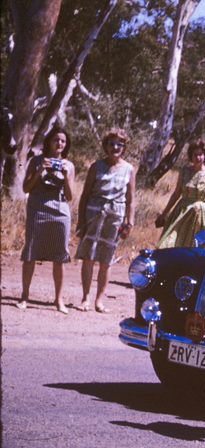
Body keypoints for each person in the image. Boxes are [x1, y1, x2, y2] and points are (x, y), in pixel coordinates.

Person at [74, 127, 136, 312]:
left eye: (120, 144)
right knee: (89, 257)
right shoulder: (96, 166)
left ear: (124, 147)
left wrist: (129, 222)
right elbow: (84, 195)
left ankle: (99, 301)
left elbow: (131, 199)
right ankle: (85, 298)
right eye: (111, 143)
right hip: (94, 214)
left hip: (115, 217)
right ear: (106, 146)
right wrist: (80, 220)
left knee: (106, 259)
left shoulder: (129, 169)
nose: (115, 147)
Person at [18, 126, 76, 312]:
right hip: (38, 208)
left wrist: (66, 176)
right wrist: (39, 171)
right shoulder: (36, 161)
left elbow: (70, 196)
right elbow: (26, 188)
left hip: (60, 211)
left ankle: (58, 300)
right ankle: (24, 296)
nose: (59, 144)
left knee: (60, 255)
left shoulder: (69, 165)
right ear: (49, 142)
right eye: (56, 140)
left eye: (63, 141)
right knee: (31, 253)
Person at [155, 139, 205, 249]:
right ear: (191, 156)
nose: (198, 157)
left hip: (199, 214)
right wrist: (164, 213)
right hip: (181, 211)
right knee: (169, 242)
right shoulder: (184, 171)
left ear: (204, 155)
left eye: (200, 154)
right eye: (195, 155)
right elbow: (176, 194)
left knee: (195, 246)